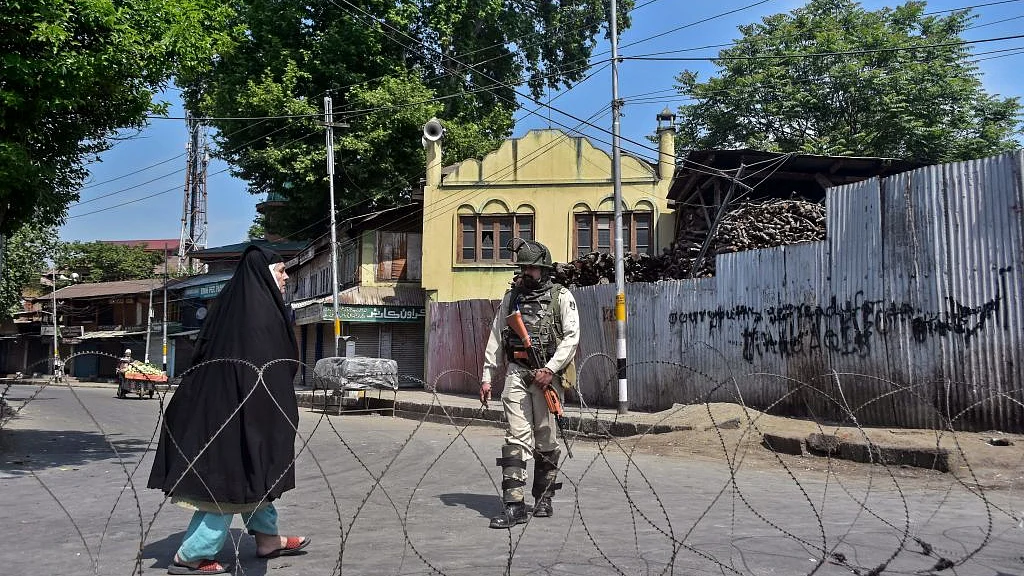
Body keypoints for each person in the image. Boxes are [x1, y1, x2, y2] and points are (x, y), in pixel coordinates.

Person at [148, 245, 310, 575]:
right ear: (264, 274)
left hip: (239, 409)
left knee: (256, 472)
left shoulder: (240, 304)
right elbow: (264, 369)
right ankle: (193, 554)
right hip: (236, 413)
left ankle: (267, 539)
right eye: (281, 270)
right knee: (231, 481)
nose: (286, 276)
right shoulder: (255, 313)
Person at [480, 239, 580, 529]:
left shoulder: (562, 297)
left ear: (544, 270)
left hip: (547, 376)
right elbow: (496, 337)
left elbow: (571, 337)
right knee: (515, 437)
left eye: (532, 267)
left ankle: (544, 497)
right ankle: (514, 504)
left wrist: (550, 369)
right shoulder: (510, 299)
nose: (527, 272)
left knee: (546, 437)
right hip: (517, 372)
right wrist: (487, 376)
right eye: (523, 267)